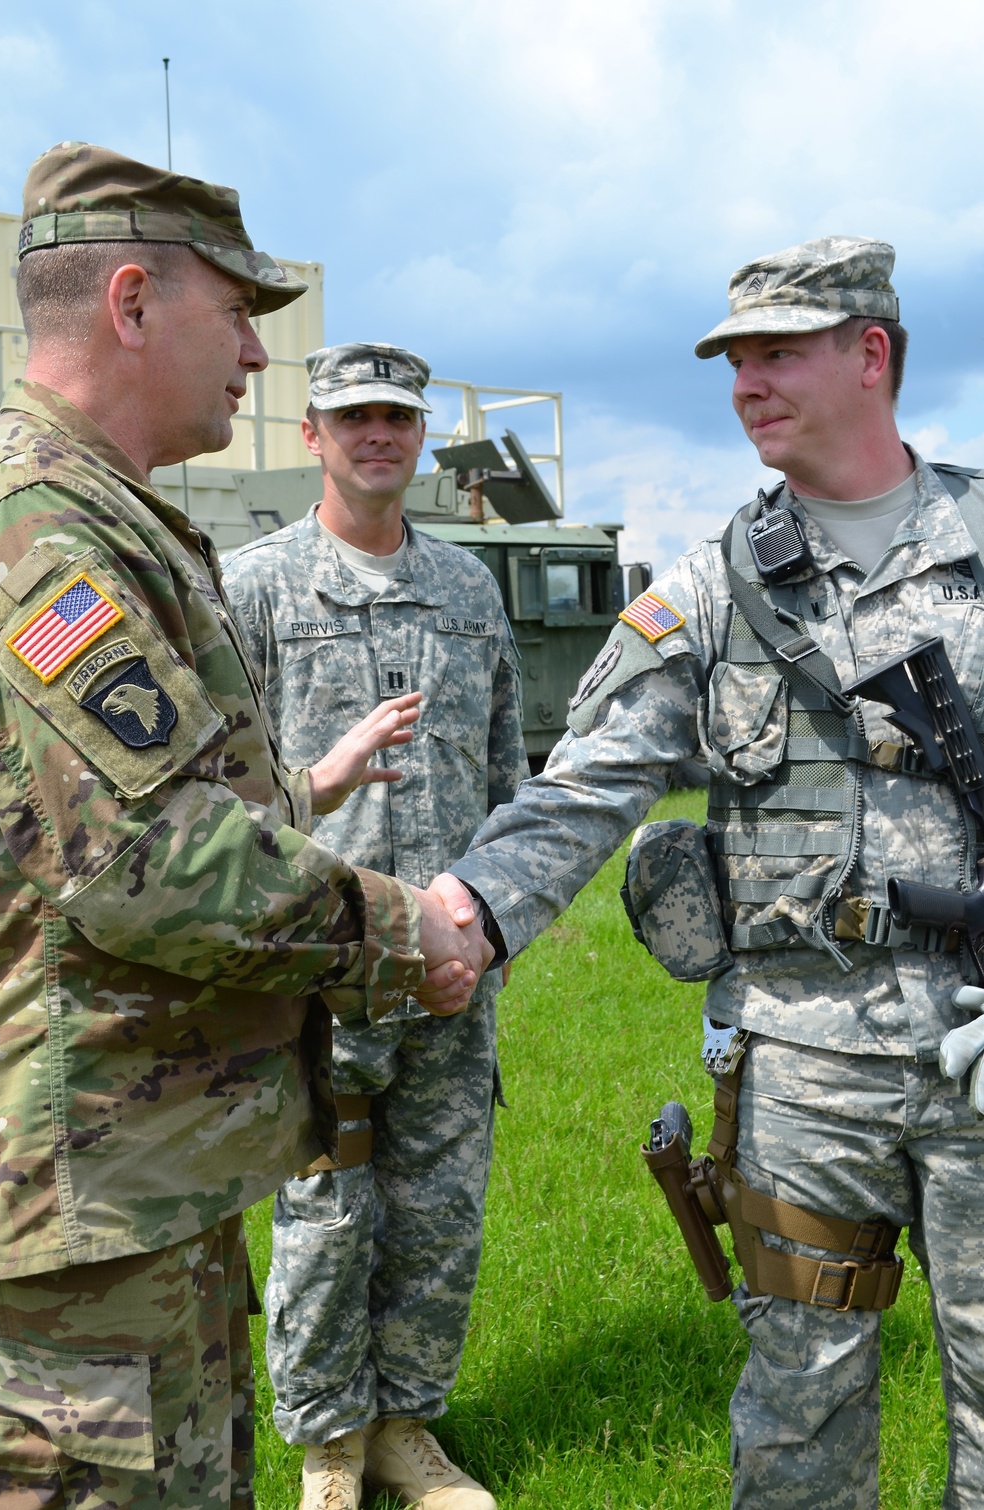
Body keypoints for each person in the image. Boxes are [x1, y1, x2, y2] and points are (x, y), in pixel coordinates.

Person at [427, 237, 984, 1508]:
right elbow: (584, 782)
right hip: (801, 1077)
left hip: (976, 1042)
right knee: (795, 1422)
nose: (746, 382)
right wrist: (467, 908)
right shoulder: (715, 590)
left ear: (871, 354)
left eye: (778, 351)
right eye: (734, 358)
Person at [0, 144, 489, 1510]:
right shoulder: (43, 534)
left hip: (136, 1175)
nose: (260, 363)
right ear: (134, 304)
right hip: (78, 1199)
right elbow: (150, 859)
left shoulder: (107, 517)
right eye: (238, 317)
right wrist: (402, 928)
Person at [223, 341, 528, 1510]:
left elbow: (506, 776)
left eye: (397, 417)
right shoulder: (255, 587)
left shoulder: (467, 586)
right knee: (323, 1211)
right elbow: (232, 795)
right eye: (353, 417)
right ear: (311, 435)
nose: (378, 436)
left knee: (439, 1206)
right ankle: (328, 1447)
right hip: (322, 964)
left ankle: (406, 1427)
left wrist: (491, 931)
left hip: (454, 964)